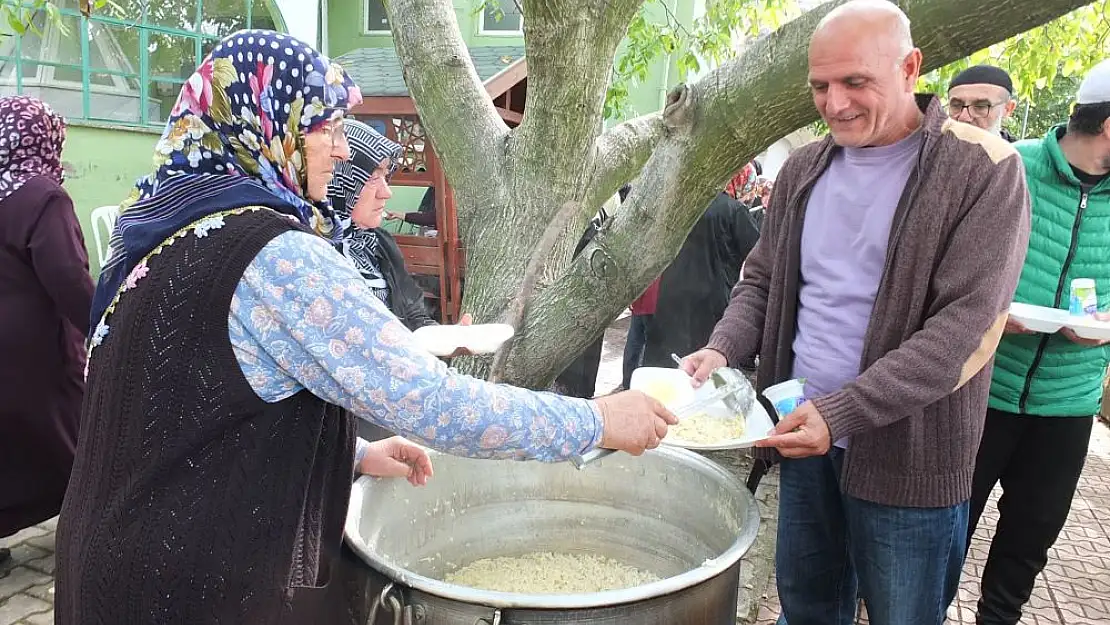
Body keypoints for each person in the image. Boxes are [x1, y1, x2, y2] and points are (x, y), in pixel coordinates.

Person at [55, 30, 675, 624]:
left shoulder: (157, 228)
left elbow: (188, 414)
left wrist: (346, 454)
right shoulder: (273, 256)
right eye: (324, 127)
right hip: (194, 587)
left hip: (112, 565)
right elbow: (432, 402)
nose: (345, 148)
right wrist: (596, 422)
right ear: (272, 127)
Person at [681, 2, 1031, 623]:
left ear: (910, 68)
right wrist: (724, 346)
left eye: (855, 82)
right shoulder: (803, 169)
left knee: (905, 613)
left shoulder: (983, 170)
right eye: (820, 86)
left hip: (912, 458)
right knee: (808, 607)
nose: (835, 103)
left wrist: (842, 411)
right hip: (801, 434)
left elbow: (963, 332)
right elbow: (762, 280)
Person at [968, 59, 1110, 625]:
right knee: (946, 521)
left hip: (1068, 402)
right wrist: (987, 313)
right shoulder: (1012, 165)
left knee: (1028, 540)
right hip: (984, 387)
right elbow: (949, 263)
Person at [0, 96, 93, 565]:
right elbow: (68, 278)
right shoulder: (43, 196)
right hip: (36, 351)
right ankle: (90, 532)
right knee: (73, 438)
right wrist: (104, 326)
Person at [328, 119, 457, 331]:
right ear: (340, 179)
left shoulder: (378, 243)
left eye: (386, 176)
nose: (387, 192)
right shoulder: (315, 250)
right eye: (372, 178)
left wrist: (445, 337)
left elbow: (415, 316)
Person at [641, 190, 760, 369]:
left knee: (666, 360)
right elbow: (756, 254)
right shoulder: (733, 210)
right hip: (713, 298)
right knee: (704, 367)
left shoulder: (677, 206)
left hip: (671, 292)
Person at [947, 64, 1019, 140]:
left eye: (980, 106)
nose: (963, 117)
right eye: (956, 105)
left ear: (1008, 109)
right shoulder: (935, 149)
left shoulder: (1022, 151)